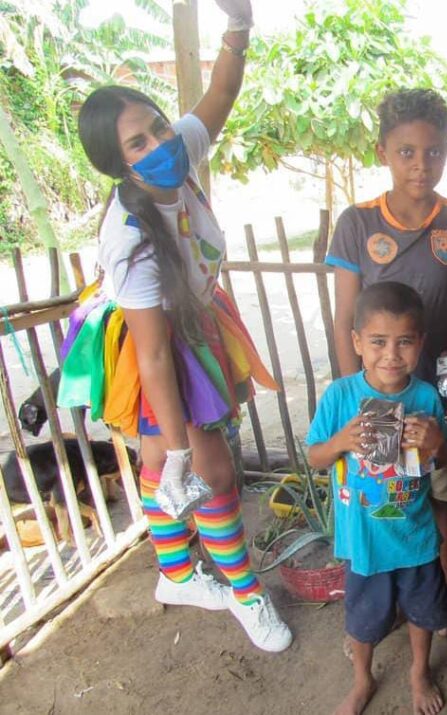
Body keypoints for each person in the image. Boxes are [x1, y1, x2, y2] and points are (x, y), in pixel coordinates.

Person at [58, 0, 291, 652]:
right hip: (154, 341)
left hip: (191, 322)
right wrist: (186, 446)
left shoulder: (179, 149)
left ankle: (177, 572)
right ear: (119, 163)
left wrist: (238, 25)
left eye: (158, 127)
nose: (160, 144)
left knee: (161, 462)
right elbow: (154, 357)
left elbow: (221, 93)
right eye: (138, 143)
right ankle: (244, 592)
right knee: (209, 471)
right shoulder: (128, 236)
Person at [326, 88, 447, 635]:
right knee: (385, 494)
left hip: (438, 390)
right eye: (406, 152)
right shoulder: (358, 223)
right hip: (379, 391)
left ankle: (444, 583)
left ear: (446, 152)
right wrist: (355, 394)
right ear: (382, 152)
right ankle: (384, 595)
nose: (421, 164)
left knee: (444, 489)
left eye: (434, 151)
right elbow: (345, 316)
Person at [307, 282, 447, 715]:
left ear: (420, 343)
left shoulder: (425, 396)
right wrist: (340, 441)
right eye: (378, 342)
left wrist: (435, 442)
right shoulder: (340, 396)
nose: (391, 354)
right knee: (362, 618)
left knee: (422, 611)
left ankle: (419, 672)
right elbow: (315, 457)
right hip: (364, 541)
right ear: (357, 342)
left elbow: (443, 458)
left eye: (404, 342)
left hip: (414, 534)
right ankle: (362, 680)